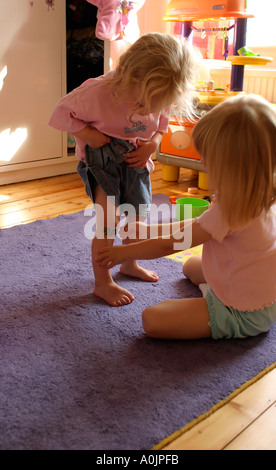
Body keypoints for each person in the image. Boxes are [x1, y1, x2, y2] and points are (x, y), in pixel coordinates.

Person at [96, 94, 276, 340]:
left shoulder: (232, 210)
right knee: (191, 266)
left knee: (152, 318)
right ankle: (218, 289)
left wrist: (123, 253)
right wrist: (149, 230)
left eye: (209, 160)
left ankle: (227, 314)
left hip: (241, 310)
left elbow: (174, 243)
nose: (203, 162)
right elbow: (198, 226)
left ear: (231, 166)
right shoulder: (257, 194)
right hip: (255, 290)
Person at [49, 32, 199, 306]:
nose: (150, 109)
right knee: (108, 222)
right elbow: (60, 113)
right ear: (130, 77)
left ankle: (129, 264)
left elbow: (161, 124)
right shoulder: (97, 91)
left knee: (136, 219)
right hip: (102, 160)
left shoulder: (161, 89)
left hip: (136, 160)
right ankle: (103, 282)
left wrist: (153, 143)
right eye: (143, 103)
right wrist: (88, 135)